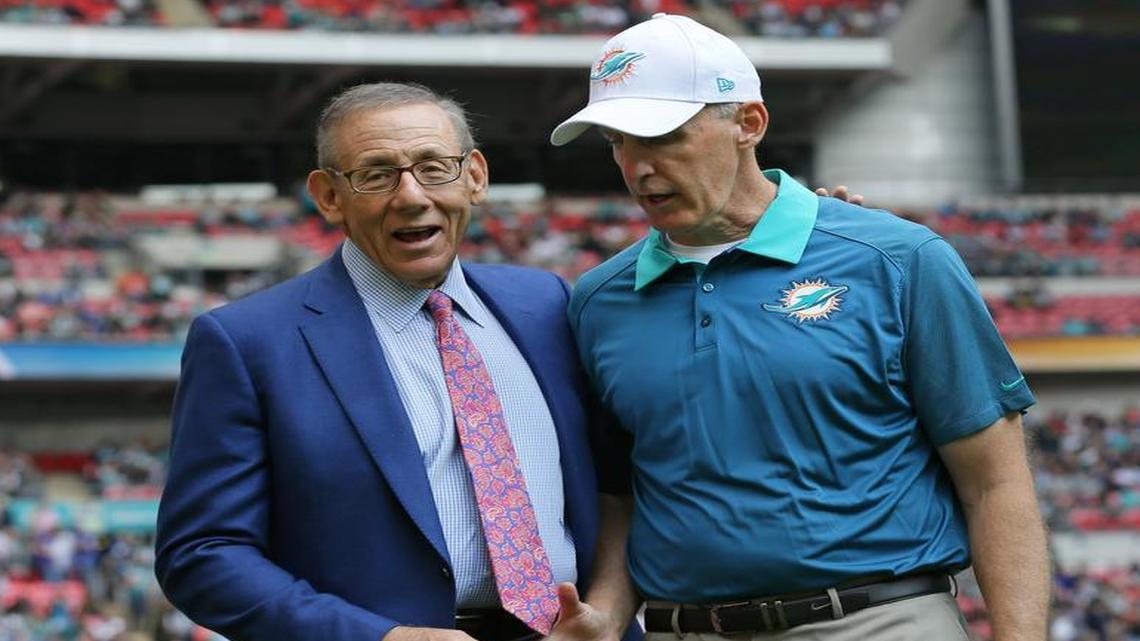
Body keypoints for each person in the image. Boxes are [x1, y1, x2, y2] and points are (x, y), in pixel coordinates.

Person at [547, 13, 1048, 641]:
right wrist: (610, 614)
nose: (638, 166)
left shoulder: (898, 260)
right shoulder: (599, 300)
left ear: (748, 124)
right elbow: (624, 493)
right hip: (684, 628)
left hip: (876, 621)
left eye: (664, 136)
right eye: (618, 141)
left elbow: (994, 481)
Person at [154, 82, 629, 641]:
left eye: (434, 167)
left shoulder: (547, 303)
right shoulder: (246, 341)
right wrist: (380, 638)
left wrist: (609, 613)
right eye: (376, 175)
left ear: (474, 175)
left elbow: (615, 484)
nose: (410, 196)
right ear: (328, 196)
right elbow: (202, 554)